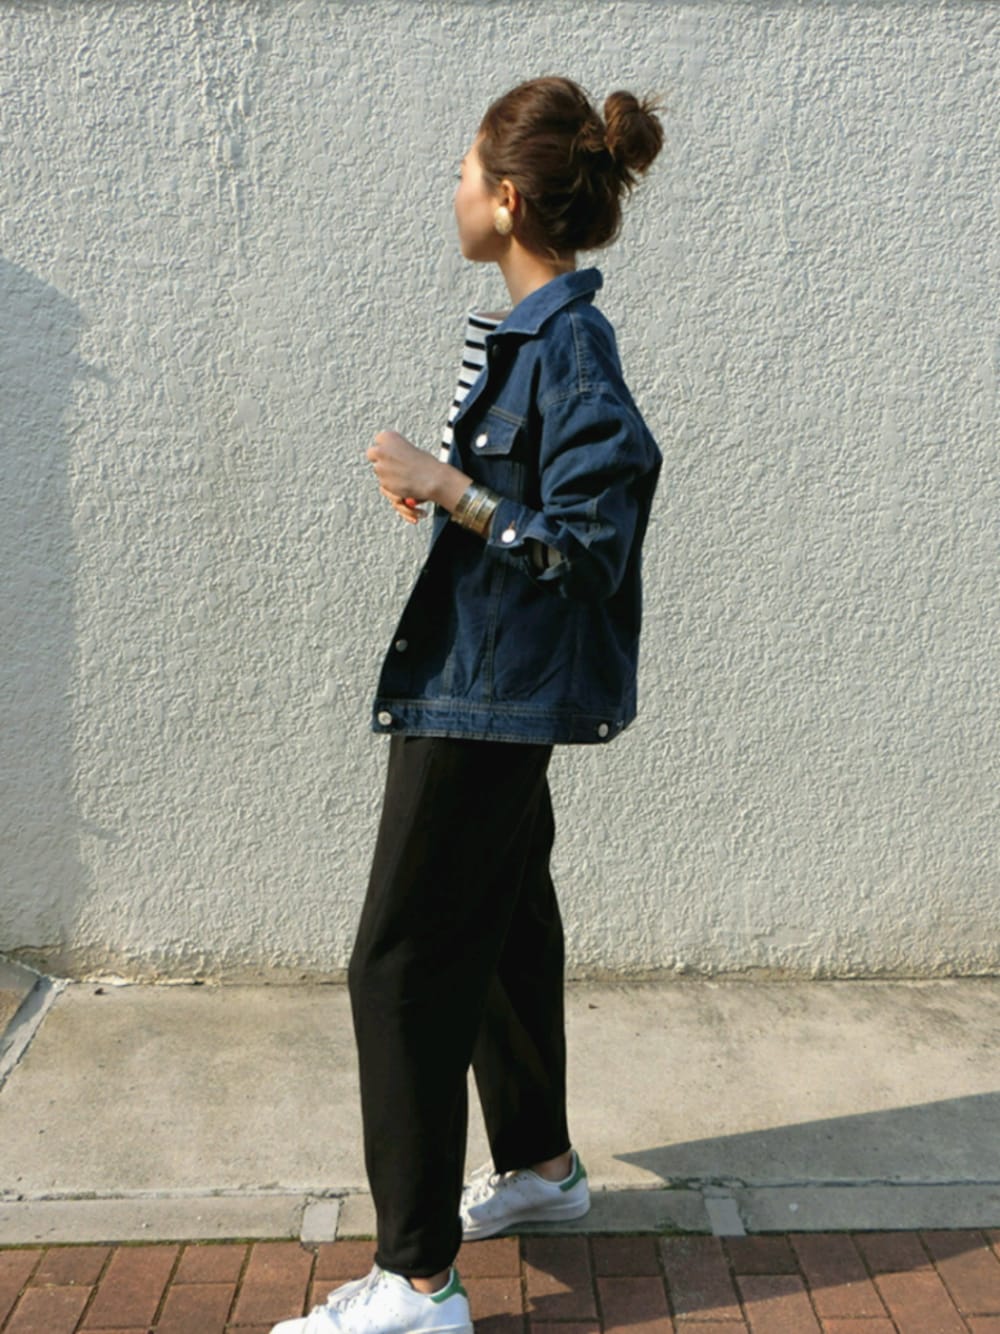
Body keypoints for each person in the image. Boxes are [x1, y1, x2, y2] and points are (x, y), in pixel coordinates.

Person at [271, 75, 664, 1334]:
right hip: (485, 681)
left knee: (396, 966)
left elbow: (590, 542)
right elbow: (525, 513)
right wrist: (456, 498)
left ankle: (417, 1279)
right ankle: (542, 1165)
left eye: (460, 175)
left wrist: (456, 492)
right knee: (503, 929)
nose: (447, 193)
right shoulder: (533, 335)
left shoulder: (571, 347)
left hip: (485, 701)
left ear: (505, 200)